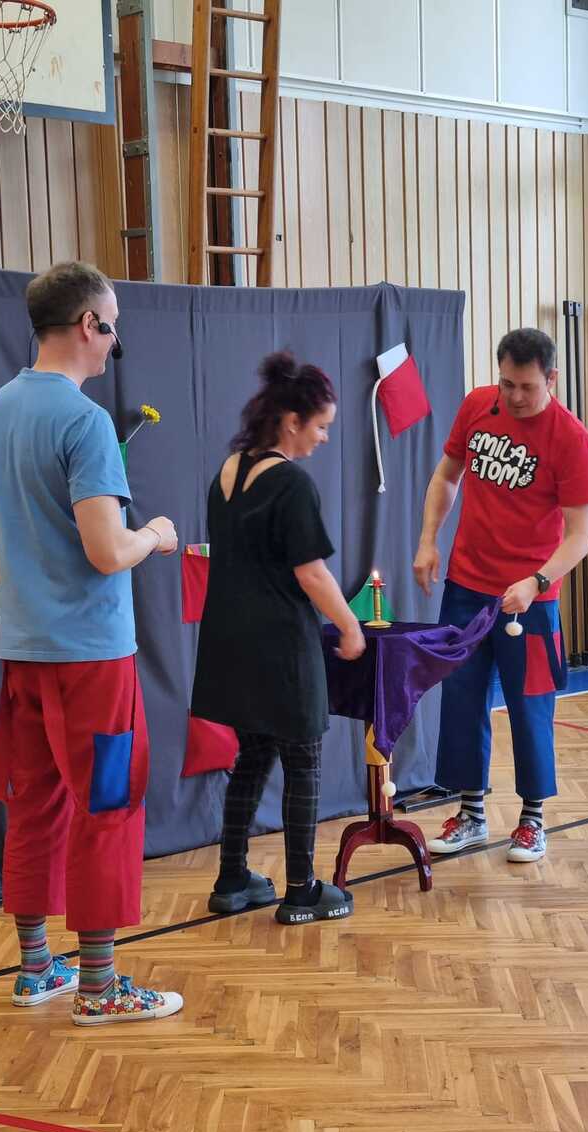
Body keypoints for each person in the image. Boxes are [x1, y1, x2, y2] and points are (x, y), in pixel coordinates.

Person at [0, 260, 184, 1026]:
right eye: (112, 328)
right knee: (108, 806)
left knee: (33, 803)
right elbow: (105, 551)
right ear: (90, 325)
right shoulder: (85, 422)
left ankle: (36, 968)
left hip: (25, 650)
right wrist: (154, 534)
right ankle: (99, 986)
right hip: (92, 660)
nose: (113, 343)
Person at [191, 351, 366, 924]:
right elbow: (311, 573)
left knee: (252, 756)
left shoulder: (227, 472)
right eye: (320, 426)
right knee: (303, 761)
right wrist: (349, 625)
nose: (323, 437)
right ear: (292, 421)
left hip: (229, 642)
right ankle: (301, 890)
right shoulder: (291, 483)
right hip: (280, 645)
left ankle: (231, 878)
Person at [413, 327, 588, 863]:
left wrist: (537, 581)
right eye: (506, 383)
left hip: (531, 600)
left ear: (551, 378)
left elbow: (581, 535)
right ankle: (471, 814)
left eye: (526, 386)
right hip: (466, 586)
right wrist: (428, 541)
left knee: (529, 706)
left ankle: (532, 821)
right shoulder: (477, 407)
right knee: (462, 699)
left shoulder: (570, 438)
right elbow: (446, 477)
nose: (514, 396)